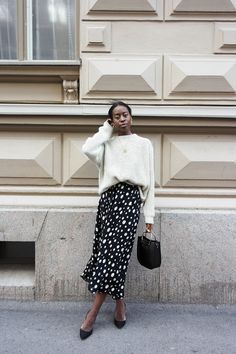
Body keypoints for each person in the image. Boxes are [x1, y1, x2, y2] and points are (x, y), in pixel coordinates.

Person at [80, 101, 155, 340]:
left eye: (125, 114)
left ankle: (92, 314)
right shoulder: (106, 144)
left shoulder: (144, 144)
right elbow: (87, 149)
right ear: (111, 120)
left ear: (131, 117)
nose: (122, 118)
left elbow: (151, 183)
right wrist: (106, 129)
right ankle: (120, 306)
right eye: (116, 116)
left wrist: (149, 216)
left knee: (113, 255)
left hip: (130, 201)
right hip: (108, 201)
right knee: (108, 254)